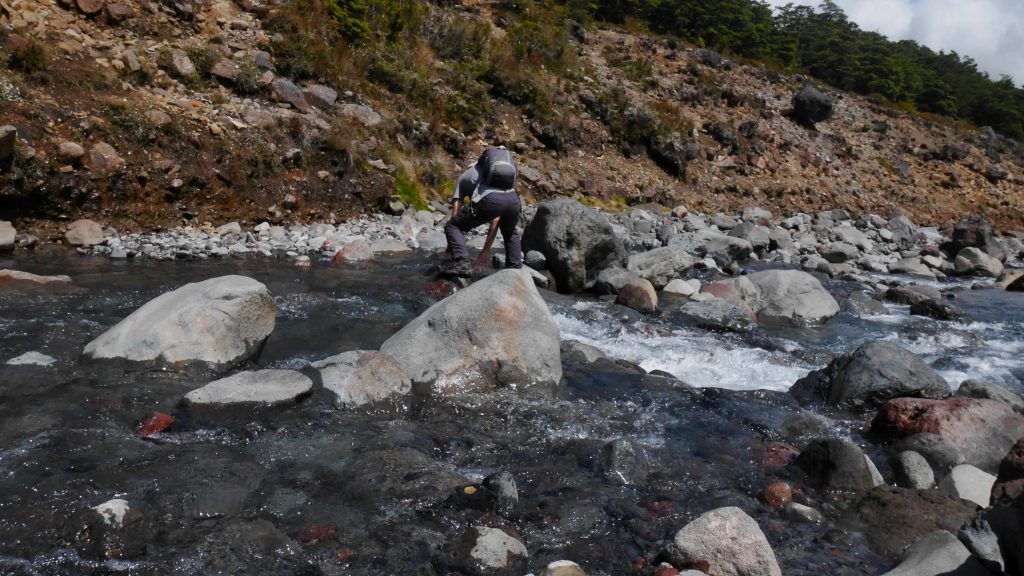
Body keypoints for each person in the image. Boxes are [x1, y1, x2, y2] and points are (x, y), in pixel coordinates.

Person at [442, 147, 523, 275]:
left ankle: (462, 262)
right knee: (510, 232)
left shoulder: (465, 177)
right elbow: (498, 218)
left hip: (491, 201)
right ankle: (516, 270)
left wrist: (452, 247)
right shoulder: (505, 173)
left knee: (452, 226)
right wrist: (486, 250)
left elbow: (455, 213)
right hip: (514, 200)